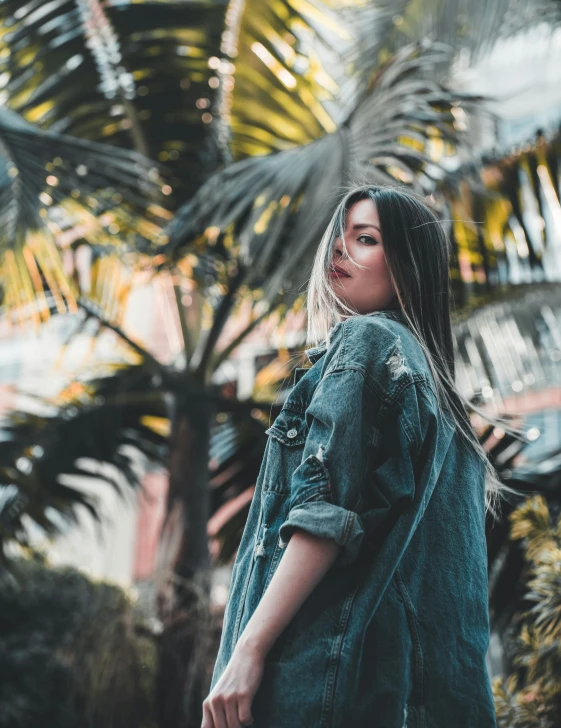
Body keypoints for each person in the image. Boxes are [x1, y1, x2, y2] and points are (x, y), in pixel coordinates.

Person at [202, 183, 524, 728]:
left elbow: (323, 516)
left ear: (407, 265)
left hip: (326, 689)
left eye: (366, 239)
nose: (340, 251)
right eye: (339, 238)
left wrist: (247, 651)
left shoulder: (368, 345)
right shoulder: (445, 408)